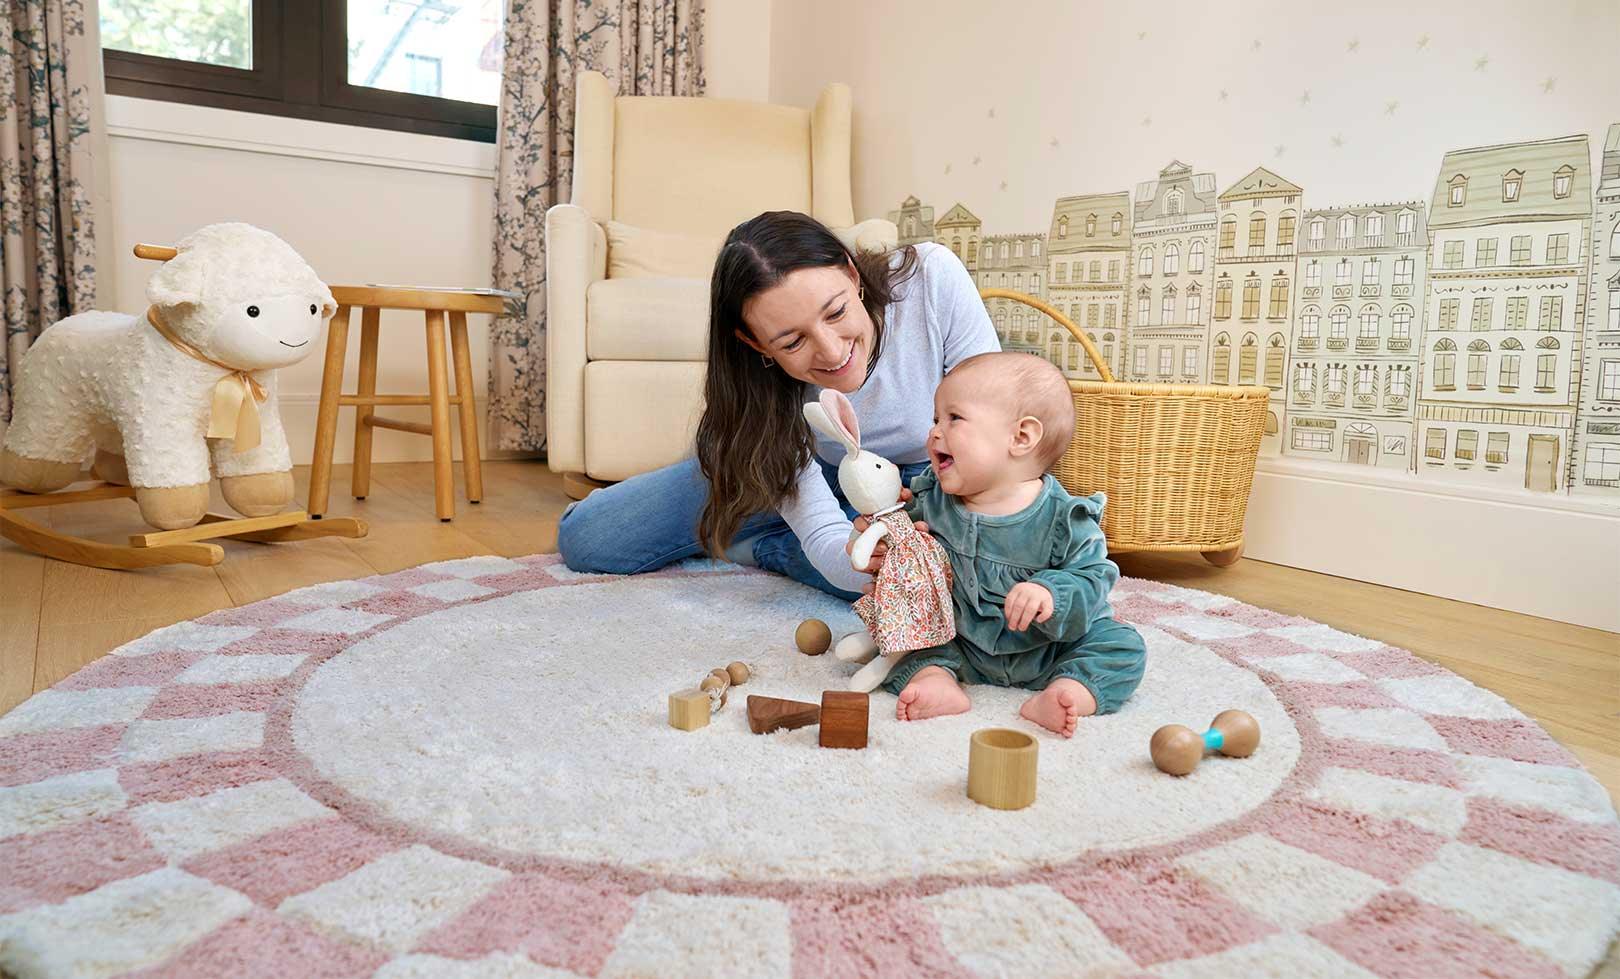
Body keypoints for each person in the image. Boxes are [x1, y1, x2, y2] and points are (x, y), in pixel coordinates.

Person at [556, 211, 999, 599]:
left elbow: (990, 424)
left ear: (851, 274)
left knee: (952, 583)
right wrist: (851, 558)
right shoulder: (763, 395)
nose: (830, 352)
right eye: (792, 341)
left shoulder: (930, 278)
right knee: (590, 539)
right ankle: (774, 534)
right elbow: (827, 537)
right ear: (755, 343)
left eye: (836, 312)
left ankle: (765, 548)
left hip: (937, 475)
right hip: (804, 470)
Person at [873, 352, 1147, 737]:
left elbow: (1093, 577)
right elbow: (899, 547)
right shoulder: (931, 501)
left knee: (1122, 647)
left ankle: (1068, 690)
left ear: (1020, 438)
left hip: (1050, 649)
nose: (935, 432)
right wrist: (884, 537)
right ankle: (938, 680)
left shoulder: (1065, 518)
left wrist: (1050, 593)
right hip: (962, 643)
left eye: (954, 418)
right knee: (904, 641)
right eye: (936, 419)